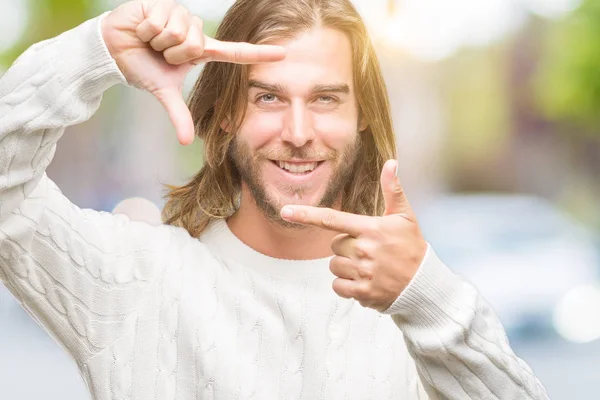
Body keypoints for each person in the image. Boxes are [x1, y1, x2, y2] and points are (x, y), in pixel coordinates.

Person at [0, 0, 549, 399]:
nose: (299, 130)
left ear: (362, 123)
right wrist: (96, 53)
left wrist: (427, 296)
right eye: (267, 97)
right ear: (222, 114)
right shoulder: (131, 279)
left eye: (326, 99)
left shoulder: (418, 315)